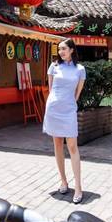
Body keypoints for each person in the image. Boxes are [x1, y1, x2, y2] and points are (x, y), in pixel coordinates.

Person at [43, 38, 86, 204]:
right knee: (57, 145)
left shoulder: (80, 69)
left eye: (64, 49)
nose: (61, 52)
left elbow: (77, 93)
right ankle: (63, 181)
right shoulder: (53, 66)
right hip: (53, 108)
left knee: (73, 147)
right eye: (59, 49)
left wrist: (70, 104)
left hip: (68, 110)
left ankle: (78, 187)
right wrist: (55, 103)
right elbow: (52, 89)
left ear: (71, 50)